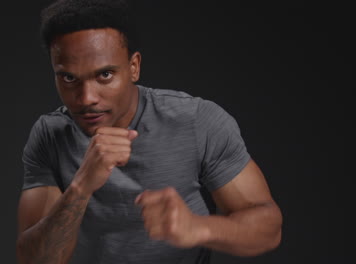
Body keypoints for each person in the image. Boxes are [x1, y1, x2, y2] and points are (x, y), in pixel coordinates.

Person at [16, 0, 283, 263]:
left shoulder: (197, 122)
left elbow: (269, 228)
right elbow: (35, 261)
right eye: (69, 78)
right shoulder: (50, 135)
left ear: (134, 66)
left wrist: (199, 228)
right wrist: (81, 186)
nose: (86, 98)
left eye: (105, 75)